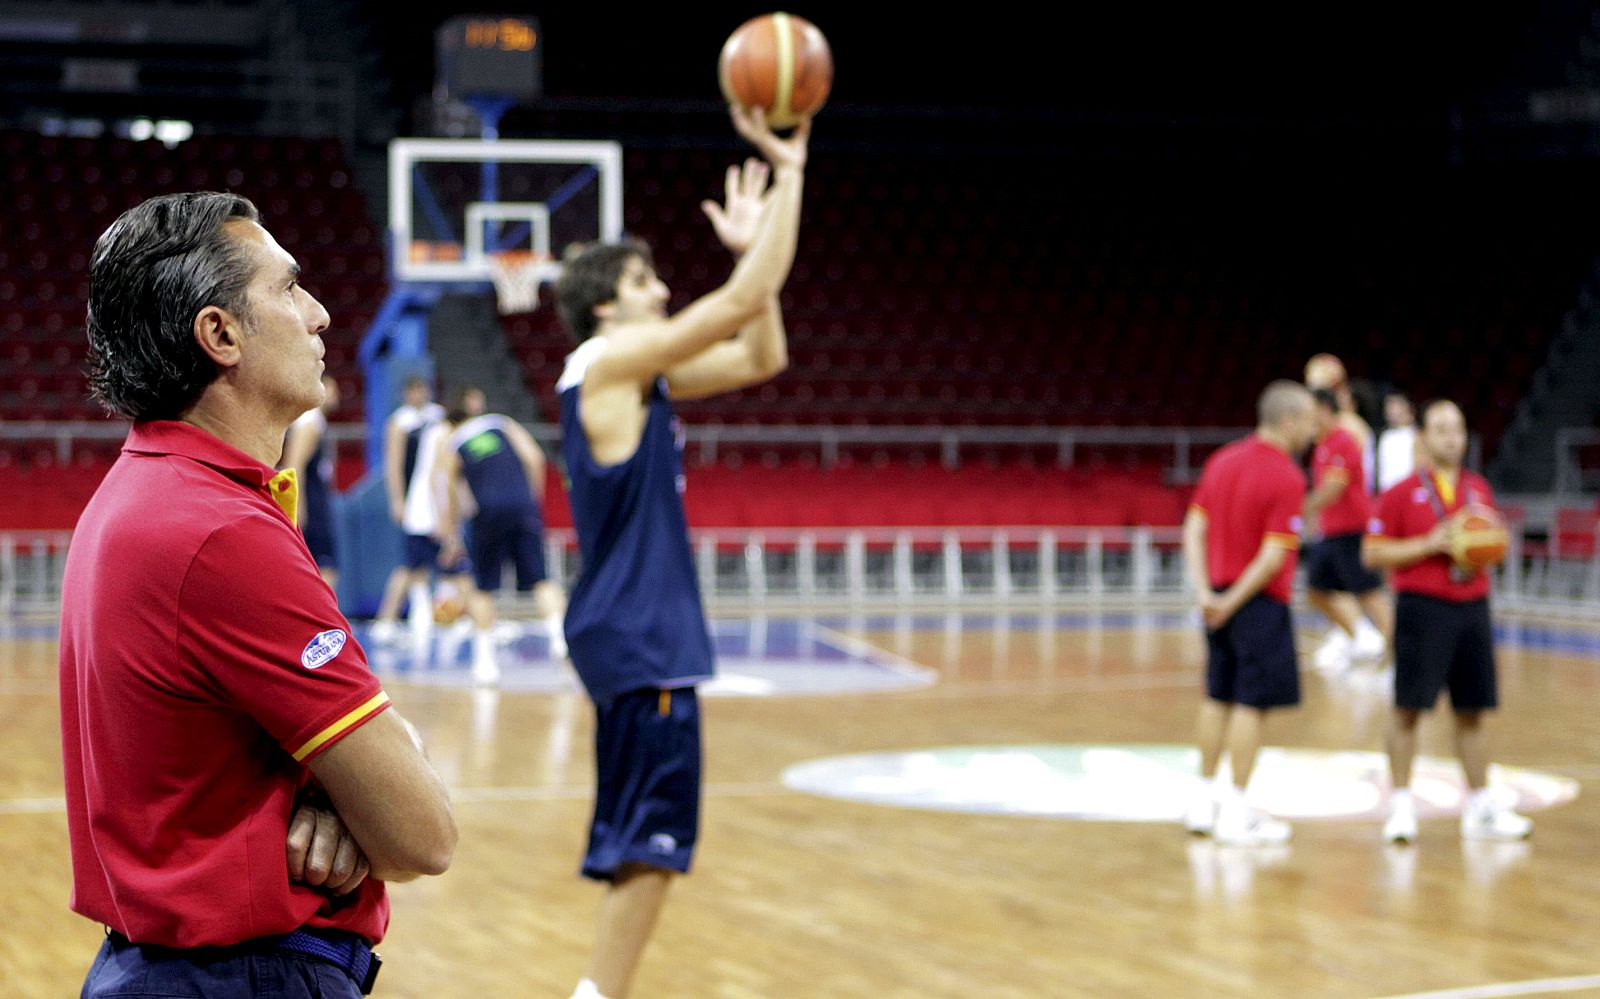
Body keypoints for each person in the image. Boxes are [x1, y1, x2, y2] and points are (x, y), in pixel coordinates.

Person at [64, 192, 456, 997]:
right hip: (246, 973)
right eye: (288, 289)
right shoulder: (220, 535)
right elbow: (424, 835)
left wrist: (345, 800)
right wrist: (373, 795)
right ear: (220, 334)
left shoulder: (144, 491)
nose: (318, 316)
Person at [550, 105, 809, 999]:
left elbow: (761, 350)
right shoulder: (610, 365)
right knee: (651, 844)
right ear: (604, 304)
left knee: (644, 842)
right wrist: (790, 174)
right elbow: (737, 308)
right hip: (643, 630)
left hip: (632, 628)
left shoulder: (629, 376)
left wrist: (753, 258)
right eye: (645, 278)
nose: (661, 289)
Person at [1362, 400, 1532, 843]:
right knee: (1407, 710)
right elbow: (1372, 553)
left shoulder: (1479, 490)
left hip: (1473, 606)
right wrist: (1428, 543)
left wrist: (1489, 547)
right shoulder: (1399, 493)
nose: (1451, 438)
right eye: (1441, 429)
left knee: (1472, 712)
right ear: (1424, 438)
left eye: (1457, 429)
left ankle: (1480, 806)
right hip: (1422, 607)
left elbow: (1488, 545)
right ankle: (1400, 806)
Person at [1181, 380, 1318, 846]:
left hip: (1216, 594)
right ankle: (1237, 809)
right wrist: (1234, 600)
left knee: (1216, 695)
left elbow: (1193, 528)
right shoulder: (1287, 477)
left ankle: (1202, 800)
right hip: (1255, 602)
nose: (1313, 432)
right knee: (1250, 704)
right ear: (1288, 421)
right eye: (1309, 422)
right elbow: (1272, 557)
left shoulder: (1221, 461)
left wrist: (1206, 594)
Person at [437, 384, 567, 684]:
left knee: (483, 588)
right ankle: (560, 639)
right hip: (522, 506)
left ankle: (485, 664)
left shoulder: (454, 443)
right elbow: (534, 458)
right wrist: (530, 499)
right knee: (541, 580)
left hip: (486, 514)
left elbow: (451, 491)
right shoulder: (501, 423)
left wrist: (453, 532)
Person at [1303, 387, 1391, 671]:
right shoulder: (1322, 443)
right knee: (1316, 590)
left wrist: (1301, 509)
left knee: (1369, 594)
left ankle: (1397, 655)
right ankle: (1360, 637)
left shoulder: (1343, 440)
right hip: (1331, 532)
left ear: (1325, 409)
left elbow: (1334, 487)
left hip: (1353, 530)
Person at [371, 375, 448, 645]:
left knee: (432, 563)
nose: (418, 395)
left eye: (422, 390)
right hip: (416, 501)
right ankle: (386, 618)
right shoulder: (400, 422)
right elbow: (394, 464)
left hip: (436, 498)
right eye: (413, 391)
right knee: (410, 563)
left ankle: (427, 614)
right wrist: (398, 499)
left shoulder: (437, 417)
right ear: (406, 394)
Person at [281, 373, 342, 587]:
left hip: (317, 497)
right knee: (323, 564)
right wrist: (297, 505)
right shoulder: (310, 421)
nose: (338, 396)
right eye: (333, 389)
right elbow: (293, 465)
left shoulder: (317, 421)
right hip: (311, 501)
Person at [1376, 390, 1419, 494]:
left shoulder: (1417, 436)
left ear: (1409, 409)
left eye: (1396, 406)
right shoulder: (1385, 436)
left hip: (1409, 491)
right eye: (1389, 407)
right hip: (1386, 491)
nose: (1392, 412)